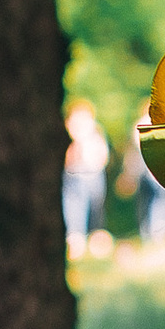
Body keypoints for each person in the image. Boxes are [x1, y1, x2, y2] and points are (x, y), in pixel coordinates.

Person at [61, 102, 110, 259]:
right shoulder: (69, 138)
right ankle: (76, 241)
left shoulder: (96, 135)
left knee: (96, 208)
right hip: (74, 174)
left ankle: (95, 239)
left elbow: (103, 156)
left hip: (92, 174)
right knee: (73, 209)